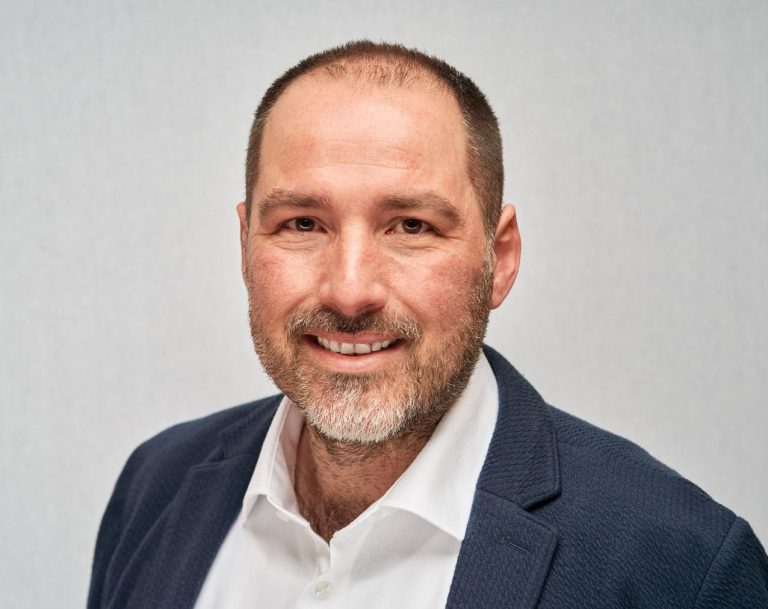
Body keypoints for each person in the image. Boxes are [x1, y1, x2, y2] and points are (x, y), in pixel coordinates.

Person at [87, 41, 768, 609]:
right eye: (302, 223)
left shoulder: (682, 568)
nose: (350, 290)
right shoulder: (155, 486)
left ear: (499, 259)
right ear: (245, 246)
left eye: (411, 226)